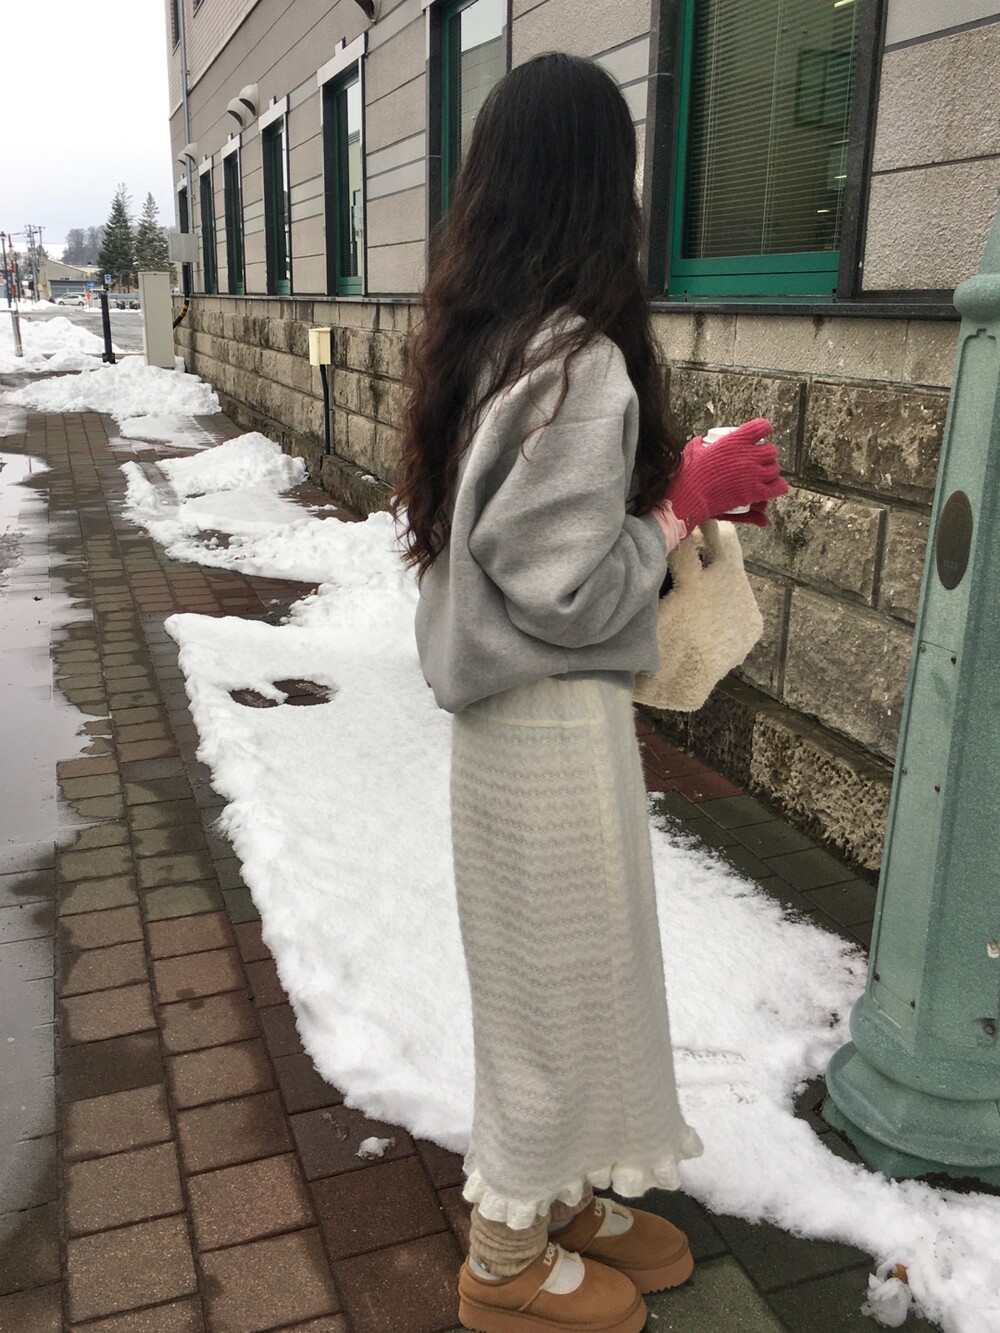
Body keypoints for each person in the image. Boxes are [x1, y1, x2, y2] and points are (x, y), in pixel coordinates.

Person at [393, 53, 788, 1333]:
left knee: (554, 972)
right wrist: (680, 506)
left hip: (519, 721)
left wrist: (666, 490)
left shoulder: (494, 336)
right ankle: (504, 1255)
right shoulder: (576, 361)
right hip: (546, 724)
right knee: (557, 986)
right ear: (595, 186)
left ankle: (555, 1193)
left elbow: (515, 545)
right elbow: (560, 583)